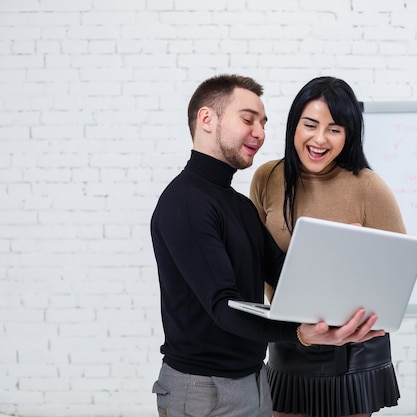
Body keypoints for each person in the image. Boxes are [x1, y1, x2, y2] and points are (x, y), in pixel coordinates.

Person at [150, 74, 386, 417]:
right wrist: (301, 334)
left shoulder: (240, 207)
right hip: (203, 390)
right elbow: (223, 307)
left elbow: (283, 271)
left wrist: (343, 250)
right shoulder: (184, 202)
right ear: (206, 119)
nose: (259, 132)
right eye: (248, 119)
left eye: (263, 123)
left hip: (253, 383)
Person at [250, 76, 407, 417]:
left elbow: (399, 271)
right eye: (310, 125)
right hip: (291, 338)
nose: (319, 139)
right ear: (294, 126)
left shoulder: (369, 187)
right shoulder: (267, 178)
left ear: (349, 134)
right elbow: (256, 259)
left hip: (353, 348)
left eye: (335, 129)